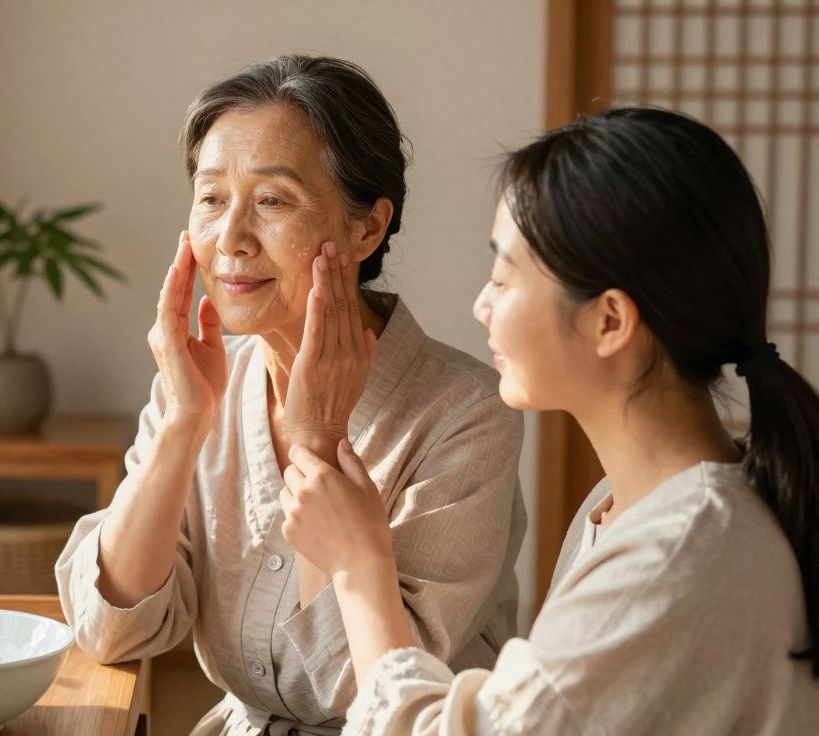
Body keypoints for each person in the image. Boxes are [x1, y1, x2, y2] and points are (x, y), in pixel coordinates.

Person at [280, 107, 819, 734]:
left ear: (609, 321)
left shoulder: (675, 553)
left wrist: (360, 564)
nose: (481, 305)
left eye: (504, 279)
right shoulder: (628, 505)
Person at [55, 54, 526, 734]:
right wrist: (182, 424)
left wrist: (319, 442)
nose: (231, 241)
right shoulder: (202, 383)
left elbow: (364, 694)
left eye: (273, 201)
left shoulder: (466, 413)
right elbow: (110, 629)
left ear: (367, 227)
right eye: (213, 199)